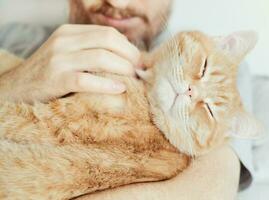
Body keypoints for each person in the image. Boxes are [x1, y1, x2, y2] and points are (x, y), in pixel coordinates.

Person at [0, 0, 254, 199]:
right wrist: (14, 83)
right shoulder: (12, 35)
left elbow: (210, 188)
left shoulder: (220, 67)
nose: (118, 3)